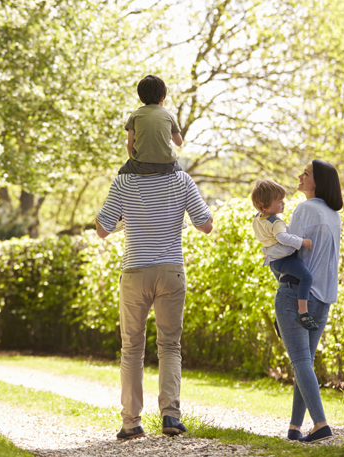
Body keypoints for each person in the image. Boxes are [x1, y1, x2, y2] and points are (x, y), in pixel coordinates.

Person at [95, 168, 213, 440]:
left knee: (132, 347)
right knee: (170, 345)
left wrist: (126, 216)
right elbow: (206, 225)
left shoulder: (124, 181)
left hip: (135, 271)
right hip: (171, 271)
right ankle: (171, 415)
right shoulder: (182, 179)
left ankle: (131, 422)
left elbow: (102, 230)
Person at [276, 160, 343, 443]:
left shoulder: (304, 209)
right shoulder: (334, 215)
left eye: (306, 173)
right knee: (305, 363)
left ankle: (320, 424)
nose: (300, 176)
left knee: (301, 360)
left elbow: (285, 251)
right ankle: (295, 427)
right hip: (323, 298)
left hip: (295, 294)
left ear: (318, 181)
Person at [250, 179, 318, 331]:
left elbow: (263, 237)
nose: (283, 204)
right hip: (284, 259)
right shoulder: (276, 222)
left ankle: (280, 319)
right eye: (279, 201)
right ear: (266, 206)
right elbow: (282, 238)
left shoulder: (257, 218)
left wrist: (267, 249)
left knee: (285, 291)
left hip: (273, 261)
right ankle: (303, 312)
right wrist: (302, 242)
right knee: (305, 277)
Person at [119, 75, 184, 176]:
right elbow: (179, 142)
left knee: (121, 173)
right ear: (162, 97)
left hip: (140, 165)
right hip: (167, 165)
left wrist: (134, 162)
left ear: (141, 97)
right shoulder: (169, 115)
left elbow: (130, 145)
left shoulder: (135, 115)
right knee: (180, 173)